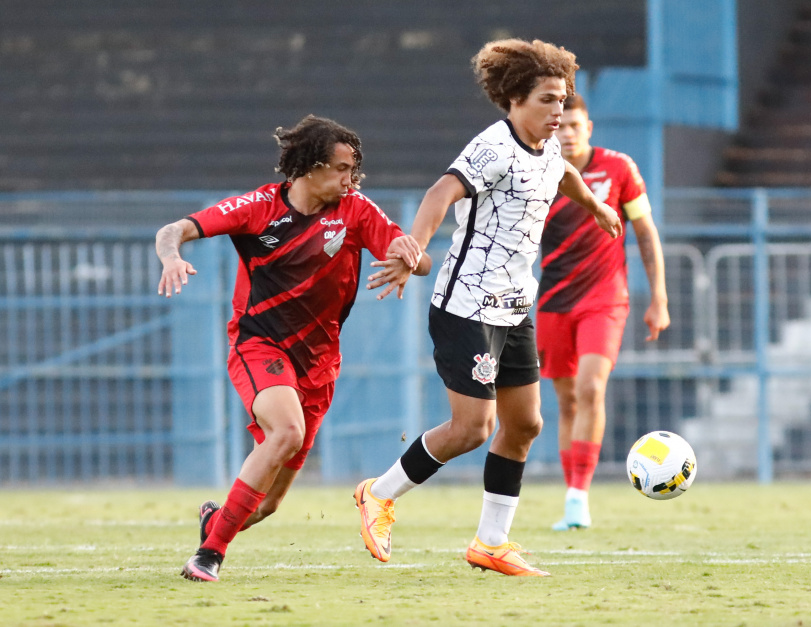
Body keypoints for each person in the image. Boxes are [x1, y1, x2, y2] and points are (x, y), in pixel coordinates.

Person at [354, 39, 623, 577]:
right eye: (548, 100)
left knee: (525, 425)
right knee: (474, 427)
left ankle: (491, 543)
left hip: (516, 306)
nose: (560, 112)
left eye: (565, 100)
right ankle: (378, 494)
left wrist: (595, 205)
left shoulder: (547, 146)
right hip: (467, 305)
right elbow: (440, 193)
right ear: (514, 100)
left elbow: (562, 174)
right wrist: (414, 245)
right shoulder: (492, 148)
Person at [155, 114, 429, 582]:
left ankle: (214, 522)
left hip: (320, 364)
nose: (351, 179)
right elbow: (172, 230)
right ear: (309, 166)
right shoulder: (259, 207)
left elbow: (416, 259)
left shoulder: (357, 210)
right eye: (342, 168)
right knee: (287, 432)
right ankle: (208, 555)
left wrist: (410, 259)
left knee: (266, 506)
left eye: (354, 170)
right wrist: (172, 257)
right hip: (259, 345)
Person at [538, 94, 670, 531]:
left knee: (591, 387)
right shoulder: (538, 173)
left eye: (576, 125)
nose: (568, 133)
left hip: (605, 298)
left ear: (589, 128)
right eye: (560, 126)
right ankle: (571, 494)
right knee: (567, 400)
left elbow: (645, 233)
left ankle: (579, 499)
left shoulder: (619, 168)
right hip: (553, 300)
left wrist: (659, 298)